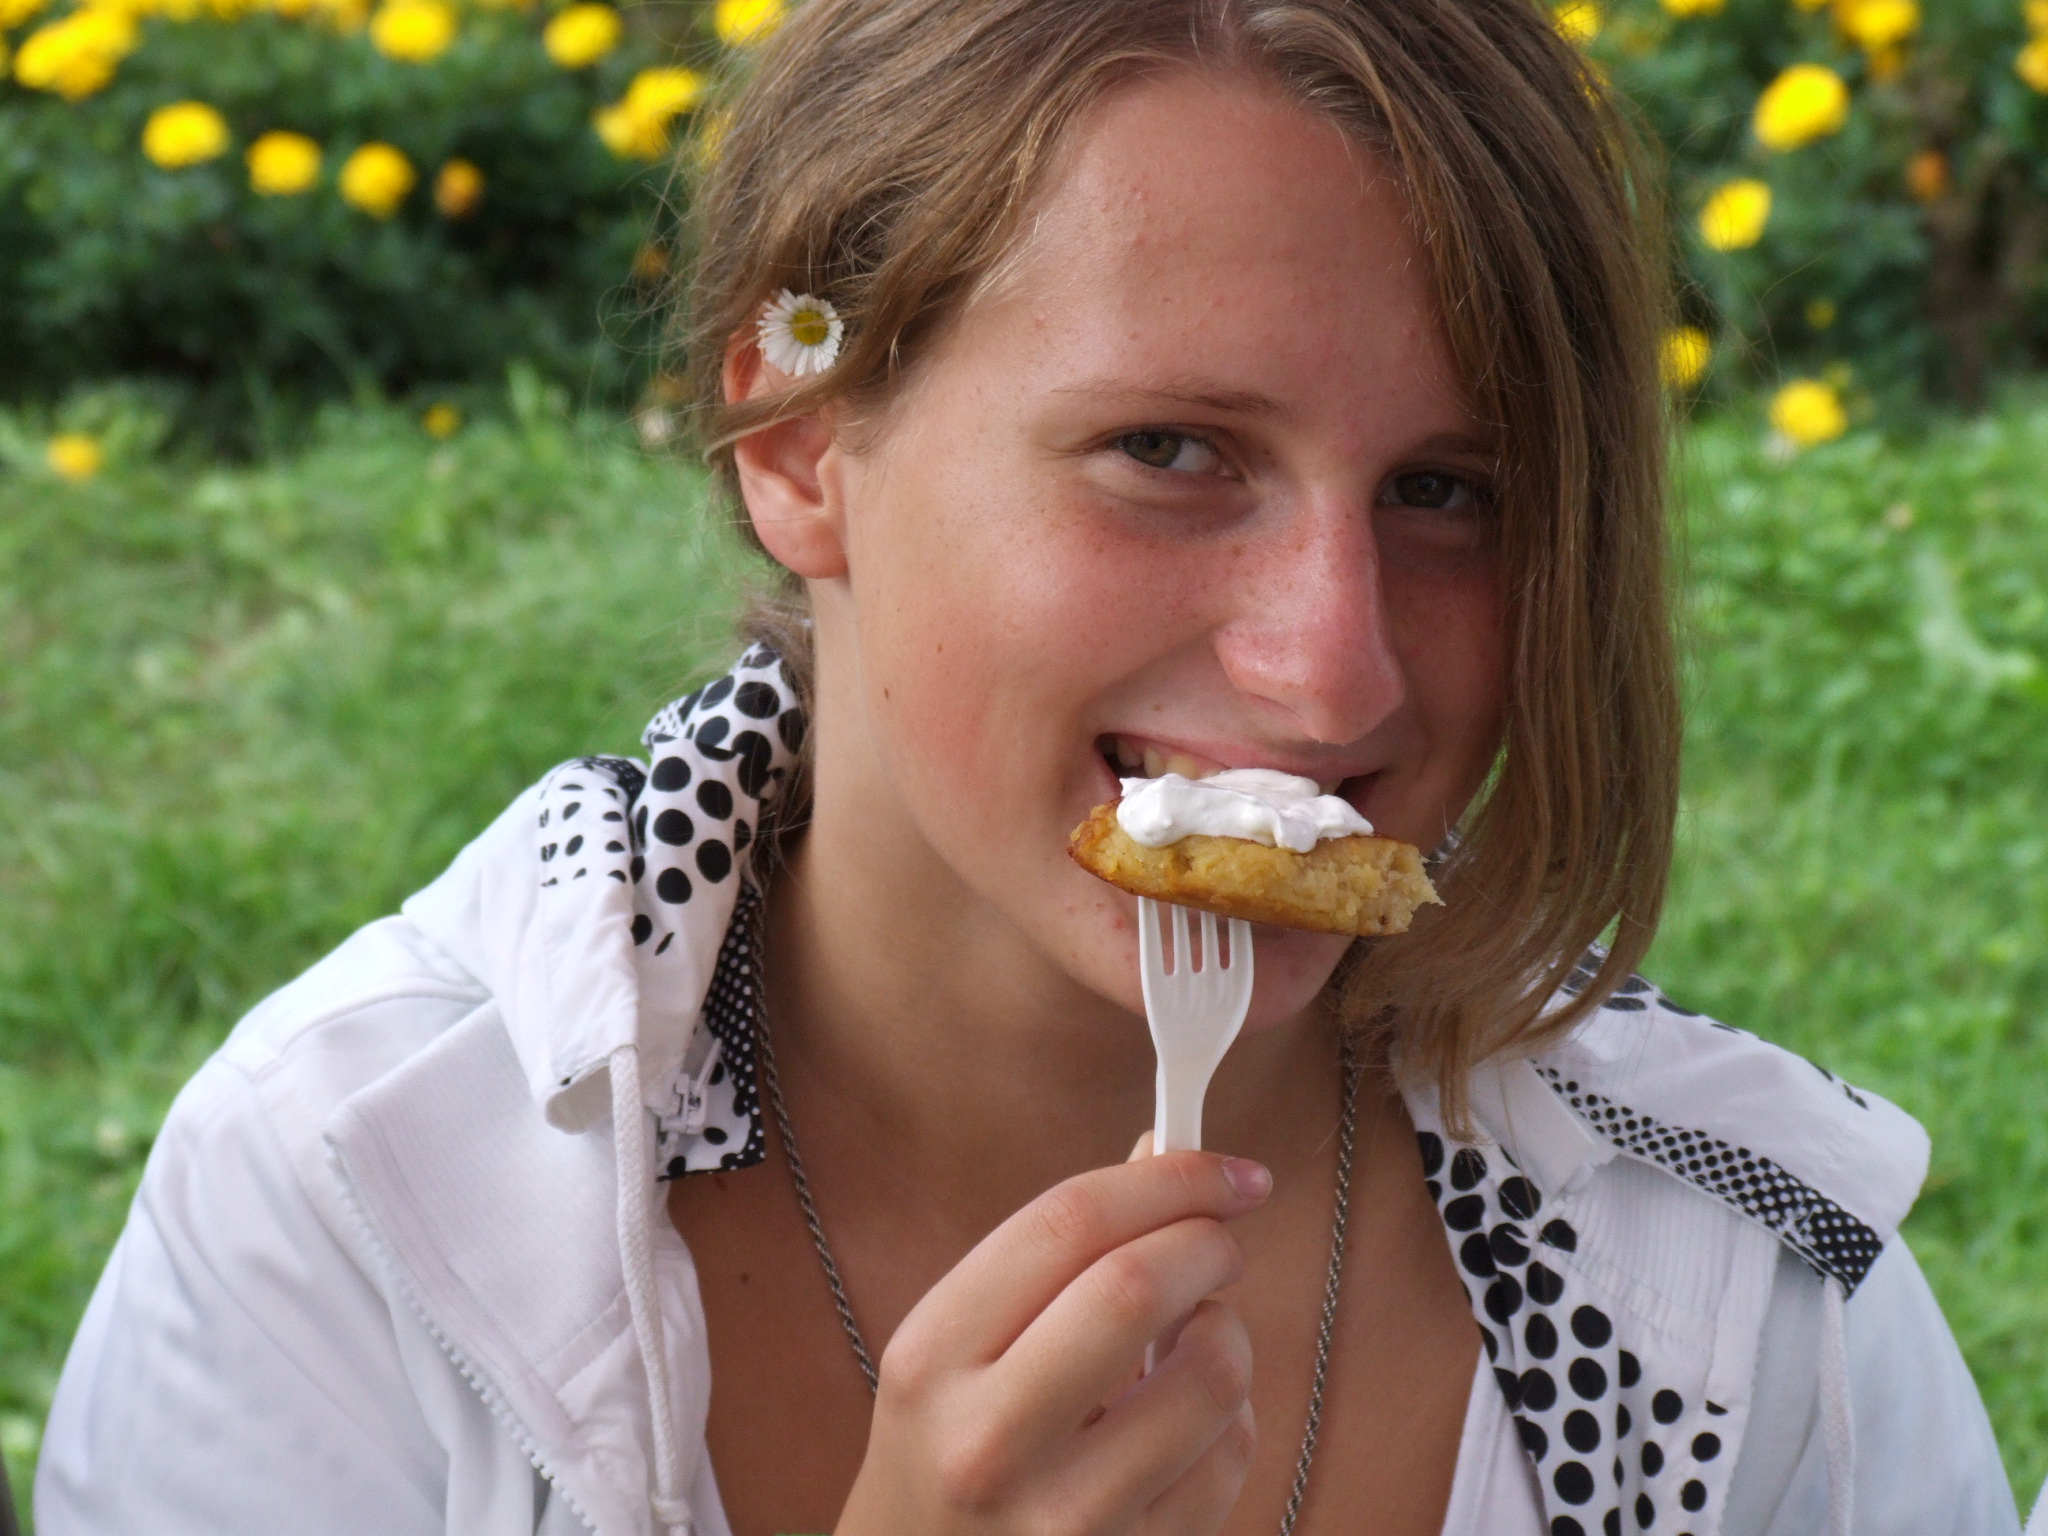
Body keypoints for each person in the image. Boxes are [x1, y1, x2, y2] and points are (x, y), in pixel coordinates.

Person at [33, 1, 2020, 1533]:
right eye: (1172, 452)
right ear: (798, 439)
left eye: (1449, 491)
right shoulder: (371, 1206)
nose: (1330, 665)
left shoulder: (1737, 1278)